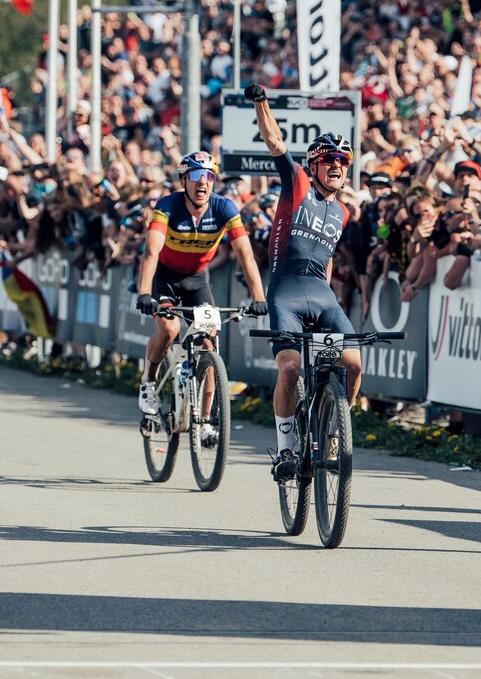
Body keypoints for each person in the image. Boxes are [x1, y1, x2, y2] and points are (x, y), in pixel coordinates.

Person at [244, 83, 363, 481]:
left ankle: (335, 431)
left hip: (321, 295)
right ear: (314, 165)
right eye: (329, 159)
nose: (337, 166)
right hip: (286, 292)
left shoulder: (343, 212)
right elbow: (274, 139)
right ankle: (283, 451)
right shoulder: (297, 185)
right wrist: (262, 102)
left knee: (354, 363)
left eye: (343, 161)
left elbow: (325, 262)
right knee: (291, 367)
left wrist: (329, 295)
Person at [136, 151, 268, 435]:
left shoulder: (225, 208)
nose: (202, 183)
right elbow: (151, 251)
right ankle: (148, 381)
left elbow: (245, 255)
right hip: (166, 276)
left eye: (208, 176)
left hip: (197, 279)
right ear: (184, 180)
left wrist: (259, 297)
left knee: (209, 341)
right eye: (195, 176)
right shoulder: (167, 206)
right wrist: (145, 293)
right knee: (169, 330)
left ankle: (205, 419)